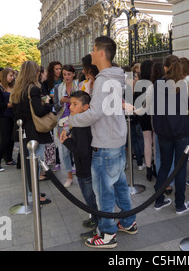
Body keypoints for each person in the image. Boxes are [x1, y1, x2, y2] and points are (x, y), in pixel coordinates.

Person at [68, 35, 137, 249]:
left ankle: (107, 234)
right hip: (115, 138)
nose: (90, 52)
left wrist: (72, 120)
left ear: (100, 52)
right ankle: (128, 222)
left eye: (93, 48)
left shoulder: (104, 80)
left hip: (106, 142)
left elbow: (95, 113)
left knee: (104, 190)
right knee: (120, 185)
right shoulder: (115, 77)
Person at [152, 55, 189, 214]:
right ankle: (180, 204)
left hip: (164, 132)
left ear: (165, 67)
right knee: (180, 168)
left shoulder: (158, 84)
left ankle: (159, 200)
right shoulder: (185, 84)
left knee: (165, 166)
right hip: (182, 130)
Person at [10, 60, 52, 204]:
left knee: (29, 164)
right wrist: (47, 105)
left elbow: (16, 112)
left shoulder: (17, 88)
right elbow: (39, 112)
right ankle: (34, 195)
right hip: (34, 131)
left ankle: (31, 192)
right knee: (34, 165)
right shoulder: (33, 88)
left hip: (23, 130)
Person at [60, 91, 98, 239]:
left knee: (91, 200)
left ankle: (98, 224)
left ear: (86, 107)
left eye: (75, 104)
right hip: (86, 168)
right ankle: (95, 219)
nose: (71, 107)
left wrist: (66, 141)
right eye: (71, 104)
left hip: (85, 169)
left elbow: (82, 151)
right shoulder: (80, 121)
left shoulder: (82, 125)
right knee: (91, 200)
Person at [54, 64, 79, 187]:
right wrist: (61, 101)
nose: (66, 76)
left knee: (78, 148)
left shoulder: (79, 85)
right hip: (62, 122)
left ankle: (80, 172)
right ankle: (69, 176)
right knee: (64, 151)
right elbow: (55, 107)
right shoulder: (58, 87)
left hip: (77, 121)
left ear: (73, 74)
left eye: (69, 74)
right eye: (64, 74)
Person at [0, 67, 16, 171]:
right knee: (4, 140)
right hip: (3, 117)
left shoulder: (12, 86)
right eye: (10, 75)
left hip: (12, 116)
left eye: (13, 75)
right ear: (5, 76)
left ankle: (9, 159)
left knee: (11, 139)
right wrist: (9, 105)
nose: (12, 77)